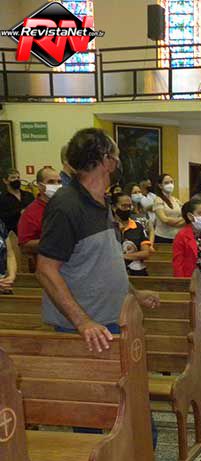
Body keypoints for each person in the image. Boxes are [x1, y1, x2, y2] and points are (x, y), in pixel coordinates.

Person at [36, 127, 159, 353]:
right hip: (87, 331)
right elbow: (45, 270)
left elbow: (106, 262)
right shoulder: (66, 205)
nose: (119, 162)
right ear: (106, 160)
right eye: (117, 156)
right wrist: (83, 322)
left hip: (112, 319)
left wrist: (134, 294)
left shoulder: (102, 201)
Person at [19, 166, 60, 263]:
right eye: (51, 182)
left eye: (59, 182)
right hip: (48, 263)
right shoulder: (30, 213)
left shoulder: (66, 205)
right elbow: (24, 246)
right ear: (40, 186)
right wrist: (53, 241)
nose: (57, 185)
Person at [110, 192, 154, 277]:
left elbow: (146, 253)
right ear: (114, 207)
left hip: (136, 271)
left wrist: (122, 257)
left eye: (129, 206)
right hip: (114, 272)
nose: (127, 209)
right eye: (124, 206)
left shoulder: (138, 226)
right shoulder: (108, 228)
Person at [152, 173, 185, 244]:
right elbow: (164, 219)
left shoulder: (176, 200)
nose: (170, 184)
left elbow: (185, 216)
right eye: (166, 183)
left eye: (171, 182)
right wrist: (181, 220)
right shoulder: (158, 200)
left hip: (177, 236)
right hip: (163, 238)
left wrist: (177, 222)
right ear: (160, 186)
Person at [0, 168, 35, 234]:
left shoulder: (29, 195)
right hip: (13, 234)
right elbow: (4, 218)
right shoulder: (2, 199)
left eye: (18, 177)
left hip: (32, 231)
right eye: (13, 177)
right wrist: (20, 212)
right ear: (5, 181)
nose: (17, 179)